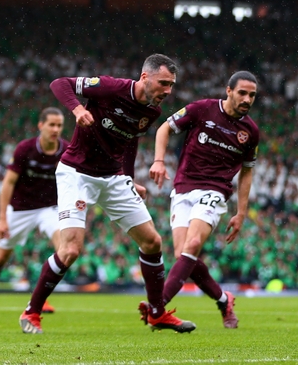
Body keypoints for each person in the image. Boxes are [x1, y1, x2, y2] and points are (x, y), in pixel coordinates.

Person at [18, 54, 186, 334]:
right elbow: (60, 83)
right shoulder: (110, 87)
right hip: (77, 174)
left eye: (171, 85)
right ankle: (31, 312)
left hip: (113, 178)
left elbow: (129, 141)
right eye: (163, 83)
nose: (168, 91)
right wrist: (77, 109)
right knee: (70, 250)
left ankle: (157, 314)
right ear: (145, 77)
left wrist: (129, 179)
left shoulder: (152, 112)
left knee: (152, 242)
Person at [147, 70, 260, 329]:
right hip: (183, 187)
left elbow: (247, 172)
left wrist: (241, 212)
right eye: (242, 93)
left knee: (194, 243)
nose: (247, 99)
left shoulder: (250, 131)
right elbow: (164, 128)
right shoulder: (202, 109)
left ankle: (158, 306)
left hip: (215, 191)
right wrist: (159, 161)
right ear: (229, 91)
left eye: (252, 95)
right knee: (182, 255)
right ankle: (223, 300)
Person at [0, 107, 68, 313]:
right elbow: (8, 183)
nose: (56, 129)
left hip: (50, 208)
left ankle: (40, 299)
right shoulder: (25, 149)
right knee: (1, 257)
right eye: (51, 125)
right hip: (22, 209)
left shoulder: (66, 149)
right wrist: (2, 218)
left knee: (65, 249)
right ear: (41, 125)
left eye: (59, 125)